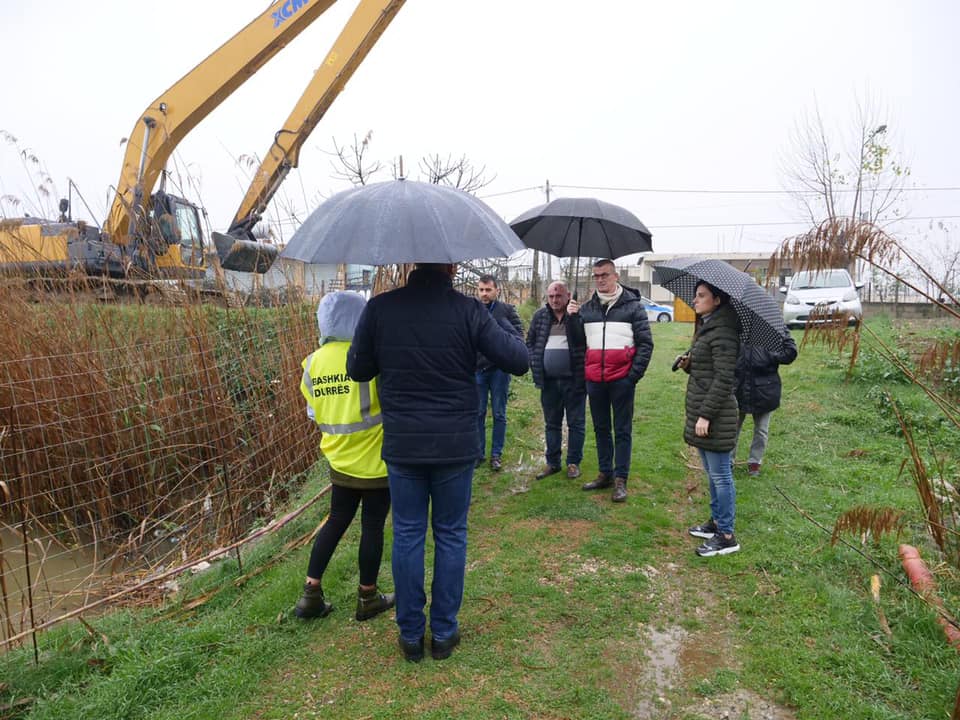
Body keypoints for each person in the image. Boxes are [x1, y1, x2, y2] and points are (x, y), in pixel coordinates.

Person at [347, 263, 528, 663]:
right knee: (450, 534)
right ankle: (444, 633)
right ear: (450, 266)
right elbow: (518, 359)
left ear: (412, 265)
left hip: (404, 446)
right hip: (454, 445)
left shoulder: (379, 309)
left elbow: (357, 368)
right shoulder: (468, 310)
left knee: (408, 534)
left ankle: (411, 636)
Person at [294, 291, 395, 622]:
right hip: (376, 459)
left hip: (339, 460)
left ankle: (310, 593)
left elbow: (314, 413)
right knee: (372, 526)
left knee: (336, 521)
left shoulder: (312, 363)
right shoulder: (369, 355)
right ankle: (367, 597)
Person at [567, 259, 654, 502]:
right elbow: (577, 343)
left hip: (622, 380)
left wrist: (632, 377)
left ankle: (620, 480)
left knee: (622, 430)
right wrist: (572, 318)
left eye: (604, 275)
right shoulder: (586, 309)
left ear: (616, 276)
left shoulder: (633, 307)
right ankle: (605, 473)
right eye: (596, 276)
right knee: (601, 428)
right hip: (595, 380)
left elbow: (646, 344)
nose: (600, 279)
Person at [676, 281, 742, 557]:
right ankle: (715, 523)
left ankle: (726, 535)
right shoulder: (710, 327)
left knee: (721, 475)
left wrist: (705, 415)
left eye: (701, 296)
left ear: (717, 300)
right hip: (705, 410)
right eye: (696, 295)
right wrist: (690, 364)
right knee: (712, 474)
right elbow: (708, 372)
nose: (695, 300)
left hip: (716, 415)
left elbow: (724, 379)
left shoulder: (724, 332)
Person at [526, 280, 586, 480]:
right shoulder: (540, 317)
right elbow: (531, 342)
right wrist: (535, 360)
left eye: (558, 295)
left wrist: (573, 318)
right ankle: (553, 463)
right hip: (549, 381)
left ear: (568, 295)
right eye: (551, 296)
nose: (554, 300)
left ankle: (573, 463)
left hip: (574, 380)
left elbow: (582, 342)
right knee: (552, 423)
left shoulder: (578, 315)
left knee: (576, 423)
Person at [475, 274, 524, 471]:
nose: (484, 294)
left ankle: (496, 454)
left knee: (498, 413)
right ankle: (478, 453)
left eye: (488, 290)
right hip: (477, 369)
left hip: (499, 370)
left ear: (497, 291)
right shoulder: (473, 310)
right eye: (481, 290)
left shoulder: (506, 310)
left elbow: (518, 335)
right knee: (477, 413)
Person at [732, 335, 798, 476]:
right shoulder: (737, 325)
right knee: (732, 428)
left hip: (765, 390)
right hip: (737, 387)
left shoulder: (772, 328)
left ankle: (755, 462)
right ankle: (728, 461)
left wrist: (780, 341)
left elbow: (789, 355)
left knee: (761, 430)